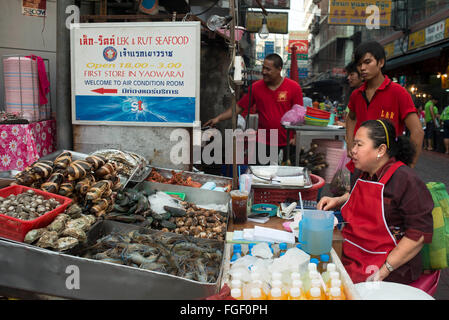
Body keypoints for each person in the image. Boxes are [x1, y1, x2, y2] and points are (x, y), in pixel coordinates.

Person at [318, 119, 434, 284]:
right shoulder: (362, 173)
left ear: (381, 149)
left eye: (359, 145)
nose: (352, 151)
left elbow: (418, 234)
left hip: (389, 268)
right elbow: (357, 196)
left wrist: (384, 270)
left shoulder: (405, 180)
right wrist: (338, 199)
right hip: (354, 255)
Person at [204, 53, 304, 161]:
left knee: (287, 175)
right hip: (263, 141)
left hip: (288, 142)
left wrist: (295, 136)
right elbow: (239, 107)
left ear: (279, 69)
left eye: (268, 69)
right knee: (260, 175)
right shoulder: (256, 88)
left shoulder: (294, 87)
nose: (264, 72)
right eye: (263, 68)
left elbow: (300, 115)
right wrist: (218, 118)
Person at [345, 41, 424, 168]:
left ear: (381, 62)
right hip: (359, 166)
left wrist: (409, 166)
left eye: (367, 62)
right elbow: (351, 118)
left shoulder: (398, 92)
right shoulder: (356, 94)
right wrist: (350, 144)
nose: (362, 68)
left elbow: (417, 131)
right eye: (359, 64)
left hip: (387, 168)